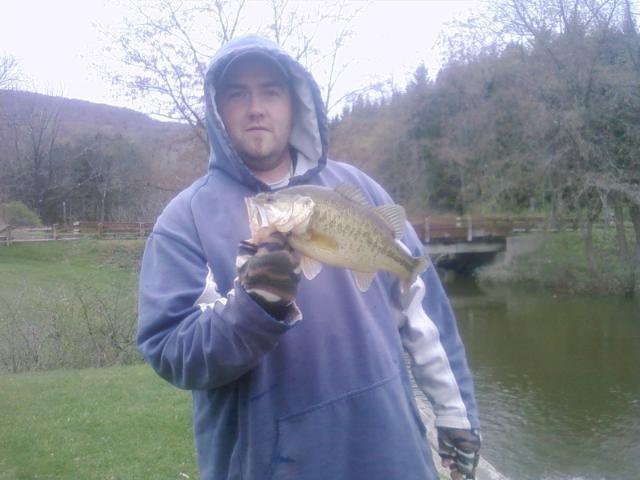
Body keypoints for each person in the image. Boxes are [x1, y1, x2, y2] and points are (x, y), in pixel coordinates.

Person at [137, 35, 481, 480]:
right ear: (217, 110)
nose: (255, 107)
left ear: (295, 104)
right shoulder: (185, 219)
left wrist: (455, 415)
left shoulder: (359, 187)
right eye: (237, 93)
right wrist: (253, 308)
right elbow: (172, 352)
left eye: (271, 91)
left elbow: (424, 312)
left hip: (393, 455)